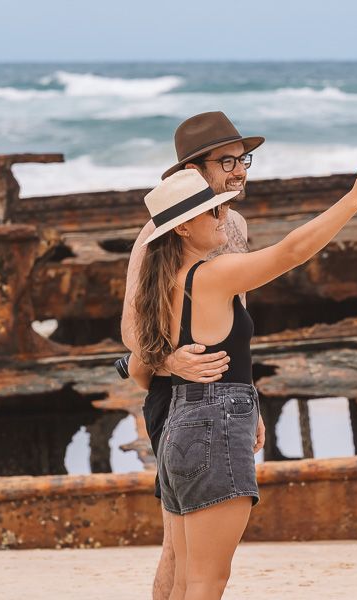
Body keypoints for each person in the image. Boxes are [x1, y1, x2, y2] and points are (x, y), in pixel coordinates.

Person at [130, 157, 357, 599]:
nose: (223, 217)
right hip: (215, 425)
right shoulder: (210, 275)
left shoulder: (161, 287)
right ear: (182, 228)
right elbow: (291, 252)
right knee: (206, 581)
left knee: (184, 579)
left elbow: (140, 371)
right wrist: (356, 198)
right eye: (212, 211)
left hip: (178, 426)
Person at [120, 112, 266, 600]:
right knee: (176, 549)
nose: (239, 170)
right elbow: (131, 331)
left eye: (242, 159)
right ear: (192, 170)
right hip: (178, 398)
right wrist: (168, 362)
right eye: (226, 161)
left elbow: (235, 328)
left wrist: (252, 396)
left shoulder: (233, 224)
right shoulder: (161, 233)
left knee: (187, 553)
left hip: (224, 394)